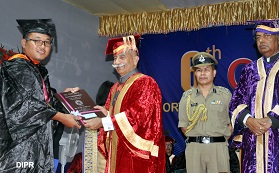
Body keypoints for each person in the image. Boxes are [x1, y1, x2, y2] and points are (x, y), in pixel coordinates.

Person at [0, 19, 81, 172]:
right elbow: (26, 106)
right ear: (24, 43)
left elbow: (45, 103)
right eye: (36, 41)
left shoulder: (37, 70)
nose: (42, 46)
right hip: (17, 152)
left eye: (47, 42)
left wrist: (64, 98)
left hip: (34, 148)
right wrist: (61, 117)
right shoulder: (17, 67)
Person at [83, 35, 166, 173]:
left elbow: (137, 117)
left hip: (135, 156)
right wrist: (99, 112)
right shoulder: (115, 87)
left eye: (122, 57)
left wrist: (104, 122)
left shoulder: (146, 83)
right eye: (115, 58)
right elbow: (112, 116)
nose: (117, 61)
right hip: (116, 151)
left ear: (135, 59)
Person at [229, 19, 279, 173]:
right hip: (253, 140)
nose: (261, 40)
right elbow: (236, 101)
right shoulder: (249, 69)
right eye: (258, 37)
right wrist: (248, 120)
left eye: (267, 36)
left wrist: (272, 119)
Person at [178, 52, 232, 173]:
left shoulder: (225, 95)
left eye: (207, 70)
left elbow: (231, 124)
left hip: (218, 148)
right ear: (195, 74)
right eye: (198, 70)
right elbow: (184, 126)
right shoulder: (187, 97)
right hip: (195, 149)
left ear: (214, 73)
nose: (202, 73)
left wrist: (217, 140)